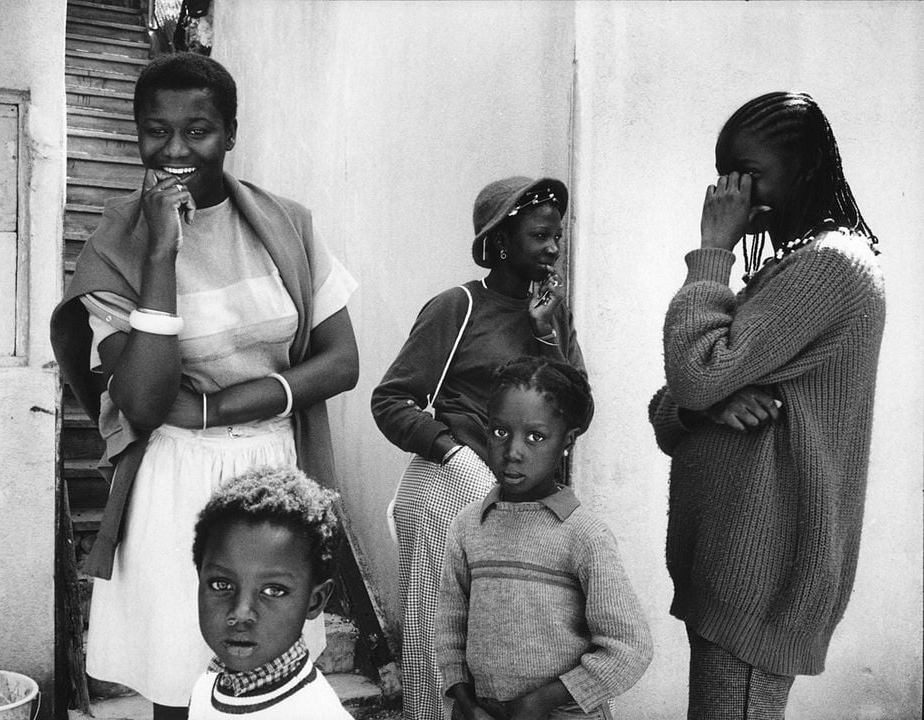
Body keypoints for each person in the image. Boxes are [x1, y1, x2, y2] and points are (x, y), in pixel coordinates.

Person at [50, 53, 359, 720]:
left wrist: (217, 406)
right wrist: (161, 252)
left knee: (271, 677)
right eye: (156, 131)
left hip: (274, 474)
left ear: (231, 131)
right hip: (176, 478)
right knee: (180, 680)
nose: (175, 149)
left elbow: (340, 362)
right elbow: (146, 402)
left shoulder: (290, 225)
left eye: (199, 130)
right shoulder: (118, 243)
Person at [648, 91, 885, 719]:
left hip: (762, 583)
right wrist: (702, 408)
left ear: (805, 170)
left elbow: (695, 375)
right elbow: (674, 402)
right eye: (725, 172)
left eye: (750, 173)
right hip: (730, 576)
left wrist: (712, 248)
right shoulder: (789, 270)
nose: (734, 192)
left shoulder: (830, 268)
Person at [371, 176, 586, 720]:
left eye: (557, 236)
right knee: (435, 639)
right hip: (449, 487)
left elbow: (577, 413)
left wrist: (544, 334)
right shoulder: (457, 307)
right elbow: (391, 399)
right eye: (540, 236)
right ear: (503, 240)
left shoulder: (552, 316)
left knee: (509, 640)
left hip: (517, 499)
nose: (553, 248)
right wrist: (454, 453)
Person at [437, 356, 652, 720]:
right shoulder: (468, 527)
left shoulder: (583, 536)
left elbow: (630, 647)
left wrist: (542, 701)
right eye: (500, 432)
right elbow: (449, 631)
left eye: (535, 437)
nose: (513, 452)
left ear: (566, 441)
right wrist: (466, 703)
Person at [187, 465, 353, 719]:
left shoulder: (315, 712)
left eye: (273, 590)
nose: (241, 613)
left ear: (315, 600)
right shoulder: (206, 687)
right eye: (222, 585)